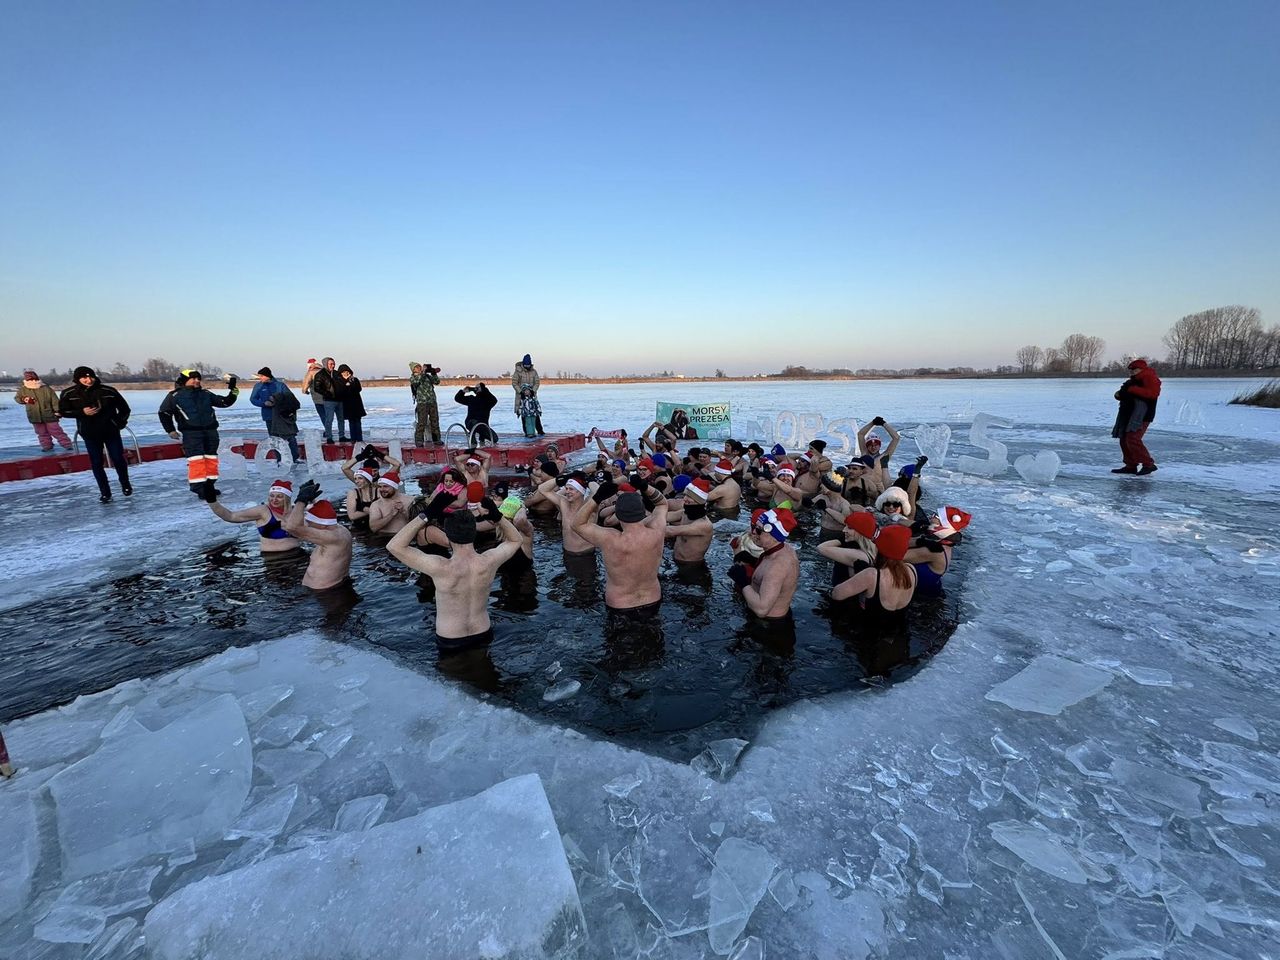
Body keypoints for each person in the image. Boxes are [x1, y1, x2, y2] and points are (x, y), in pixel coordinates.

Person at [386, 496, 522, 651]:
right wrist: (497, 516)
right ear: (474, 533)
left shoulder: (440, 567)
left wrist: (427, 514)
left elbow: (394, 546)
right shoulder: (488, 562)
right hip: (483, 632)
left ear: (448, 535)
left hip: (451, 638)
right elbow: (515, 540)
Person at [571, 487, 667, 626]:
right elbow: (662, 504)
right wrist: (645, 487)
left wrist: (596, 498)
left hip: (620, 604)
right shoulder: (657, 530)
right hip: (652, 599)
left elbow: (577, 524)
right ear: (642, 511)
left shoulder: (609, 538)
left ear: (618, 513)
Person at [158, 369, 239, 501]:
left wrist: (233, 393)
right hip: (191, 433)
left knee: (211, 459)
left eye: (198, 378)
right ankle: (199, 488)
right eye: (193, 378)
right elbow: (164, 413)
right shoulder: (175, 396)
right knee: (197, 461)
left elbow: (224, 402)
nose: (197, 381)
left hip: (210, 432)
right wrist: (170, 430)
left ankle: (209, 486)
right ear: (185, 381)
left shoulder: (205, 394)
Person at [58, 366, 133, 503]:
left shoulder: (108, 391)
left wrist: (118, 423)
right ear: (77, 379)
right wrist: (82, 412)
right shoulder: (69, 393)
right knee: (97, 462)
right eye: (84, 377)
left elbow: (125, 409)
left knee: (118, 458)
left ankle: (125, 484)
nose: (88, 380)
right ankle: (105, 492)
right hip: (89, 433)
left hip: (110, 431)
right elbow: (63, 411)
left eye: (91, 377)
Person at [831, 524, 916, 623]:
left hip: (870, 632)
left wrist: (858, 575)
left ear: (880, 548)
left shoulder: (872, 575)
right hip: (900, 631)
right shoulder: (911, 570)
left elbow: (836, 594)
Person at [728, 507, 799, 621]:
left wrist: (743, 582)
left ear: (774, 535)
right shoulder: (785, 549)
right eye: (755, 527)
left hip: (768, 625)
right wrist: (752, 560)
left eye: (759, 530)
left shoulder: (777, 567)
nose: (754, 532)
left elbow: (762, 610)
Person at [281, 480, 353, 590]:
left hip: (326, 593)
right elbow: (290, 523)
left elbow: (292, 527)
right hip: (326, 589)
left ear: (323, 525)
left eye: (310, 523)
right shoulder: (338, 529)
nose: (307, 525)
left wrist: (301, 500)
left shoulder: (332, 537)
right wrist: (311, 500)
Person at [206, 479, 304, 554]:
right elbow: (231, 516)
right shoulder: (263, 511)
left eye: (279, 496)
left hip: (297, 555)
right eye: (272, 496)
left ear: (287, 498)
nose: (274, 499)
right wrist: (212, 500)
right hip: (274, 560)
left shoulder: (296, 511)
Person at [903, 505, 971, 596]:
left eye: (936, 516)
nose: (931, 517)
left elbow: (896, 555)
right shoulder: (943, 542)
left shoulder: (935, 550)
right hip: (931, 590)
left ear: (943, 525)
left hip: (924, 600)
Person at [1112, 358, 1162, 475]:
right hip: (1128, 414)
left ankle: (1148, 464)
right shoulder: (1132, 381)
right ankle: (1130, 465)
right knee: (1124, 439)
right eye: (1131, 370)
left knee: (1133, 439)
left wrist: (1132, 390)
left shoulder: (1150, 378)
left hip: (1142, 416)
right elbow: (1123, 393)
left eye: (1135, 369)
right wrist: (1119, 394)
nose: (1132, 371)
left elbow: (1153, 394)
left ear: (1142, 369)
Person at [249, 367, 301, 463]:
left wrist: (276, 400)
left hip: (282, 415)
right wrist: (264, 403)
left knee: (290, 436)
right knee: (274, 438)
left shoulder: (280, 385)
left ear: (267, 376)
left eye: (262, 376)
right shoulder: (258, 386)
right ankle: (279, 459)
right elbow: (253, 399)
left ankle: (295, 458)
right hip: (269, 416)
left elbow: (289, 397)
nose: (260, 378)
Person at [15, 370, 73, 452]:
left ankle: (67, 445)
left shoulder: (46, 388)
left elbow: (55, 400)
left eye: (32, 378)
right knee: (41, 433)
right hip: (35, 416)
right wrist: (24, 399)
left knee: (56, 431)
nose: (31, 380)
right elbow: (17, 398)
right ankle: (47, 446)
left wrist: (57, 411)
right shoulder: (23, 390)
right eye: (28, 379)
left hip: (49, 414)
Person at [664, 477, 715, 564]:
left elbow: (669, 531)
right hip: (676, 560)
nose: (684, 499)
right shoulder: (685, 513)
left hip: (691, 566)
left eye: (689, 496)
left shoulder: (704, 525)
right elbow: (664, 517)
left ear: (699, 500)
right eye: (685, 495)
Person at [368, 470, 414, 535]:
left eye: (385, 486)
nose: (382, 489)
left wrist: (403, 512)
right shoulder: (376, 504)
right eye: (380, 487)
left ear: (395, 487)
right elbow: (373, 528)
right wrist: (392, 514)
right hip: (383, 538)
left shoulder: (410, 500)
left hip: (407, 536)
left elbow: (421, 522)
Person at [310, 357, 344, 443]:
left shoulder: (337, 374)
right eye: (330, 364)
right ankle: (329, 437)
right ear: (326, 364)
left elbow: (342, 384)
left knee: (341, 419)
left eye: (333, 364)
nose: (332, 366)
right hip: (329, 400)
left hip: (339, 399)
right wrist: (326, 393)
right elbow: (317, 387)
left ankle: (342, 436)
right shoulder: (320, 374)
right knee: (329, 419)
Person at [409, 361, 442, 445]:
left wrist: (434, 373)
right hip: (422, 403)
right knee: (422, 422)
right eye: (417, 367)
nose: (419, 368)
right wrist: (423, 372)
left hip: (432, 401)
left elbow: (437, 381)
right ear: (413, 370)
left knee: (435, 421)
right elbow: (417, 381)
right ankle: (419, 440)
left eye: (420, 366)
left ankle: (436, 439)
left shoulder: (427, 376)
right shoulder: (413, 378)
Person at [511, 354, 543, 434]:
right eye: (526, 365)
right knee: (524, 414)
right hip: (521, 397)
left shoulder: (534, 372)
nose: (527, 366)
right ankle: (527, 432)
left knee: (535, 413)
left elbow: (537, 382)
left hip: (531, 396)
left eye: (528, 365)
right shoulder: (518, 372)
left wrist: (533, 391)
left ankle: (540, 430)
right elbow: (514, 383)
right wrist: (521, 391)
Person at [334, 364, 366, 443]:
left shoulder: (354, 379)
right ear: (341, 373)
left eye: (347, 371)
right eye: (344, 372)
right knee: (351, 421)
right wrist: (346, 386)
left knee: (358, 421)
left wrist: (351, 384)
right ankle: (353, 438)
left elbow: (358, 389)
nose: (346, 373)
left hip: (357, 403)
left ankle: (359, 438)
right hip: (347, 404)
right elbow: (340, 391)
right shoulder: (339, 381)